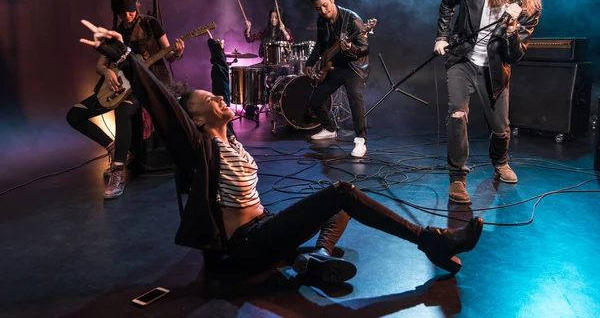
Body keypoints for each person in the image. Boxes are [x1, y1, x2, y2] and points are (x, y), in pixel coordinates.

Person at [79, 20, 484, 283]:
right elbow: (165, 107)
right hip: (246, 247)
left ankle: (314, 260)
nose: (221, 101)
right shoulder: (197, 147)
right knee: (342, 193)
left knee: (340, 202)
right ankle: (431, 240)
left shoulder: (229, 138)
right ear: (196, 121)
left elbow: (221, 81)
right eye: (210, 101)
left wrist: (218, 53)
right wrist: (125, 57)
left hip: (267, 229)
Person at [433, 0, 550, 204]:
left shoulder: (529, 8)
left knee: (500, 128)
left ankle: (500, 161)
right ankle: (457, 178)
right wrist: (442, 37)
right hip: (462, 59)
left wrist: (511, 29)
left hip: (495, 69)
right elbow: (446, 4)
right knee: (457, 114)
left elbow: (515, 56)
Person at [66, 0, 184, 199]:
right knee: (74, 115)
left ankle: (118, 171)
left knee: (123, 112)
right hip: (122, 86)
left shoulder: (151, 24)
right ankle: (115, 149)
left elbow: (171, 56)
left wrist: (178, 52)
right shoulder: (115, 33)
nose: (127, 16)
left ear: (136, 6)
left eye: (130, 11)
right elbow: (100, 65)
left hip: (147, 86)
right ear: (116, 14)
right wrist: (108, 71)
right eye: (122, 14)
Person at [305, 0, 370, 157]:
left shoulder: (352, 19)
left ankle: (361, 141)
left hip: (353, 66)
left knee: (355, 98)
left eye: (325, 5)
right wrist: (310, 63)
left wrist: (351, 48)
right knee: (315, 99)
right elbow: (320, 45)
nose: (323, 11)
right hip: (334, 66)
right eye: (318, 8)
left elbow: (364, 49)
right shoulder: (321, 21)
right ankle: (329, 128)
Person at [243, 7, 294, 116]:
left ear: (280, 19)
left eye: (275, 17)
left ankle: (278, 103)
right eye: (271, 17)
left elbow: (291, 42)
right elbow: (250, 39)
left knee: (270, 81)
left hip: (279, 64)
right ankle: (252, 103)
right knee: (250, 71)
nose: (273, 20)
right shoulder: (265, 31)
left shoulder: (284, 31)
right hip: (266, 62)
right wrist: (248, 29)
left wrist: (284, 30)